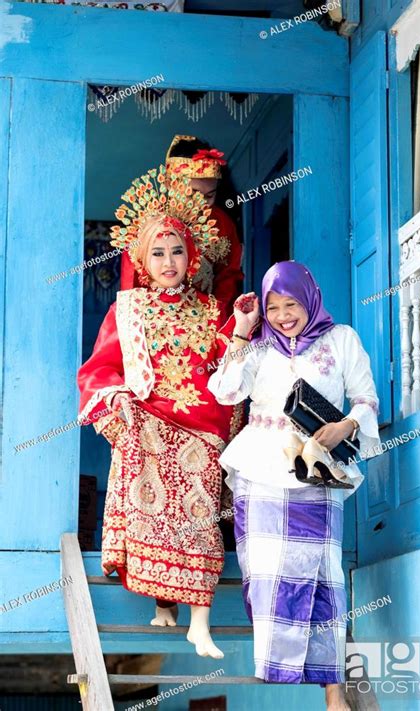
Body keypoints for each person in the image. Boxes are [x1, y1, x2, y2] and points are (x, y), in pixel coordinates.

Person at [77, 166, 238, 659]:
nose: (169, 261)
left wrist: (244, 330)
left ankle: (198, 621)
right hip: (148, 424)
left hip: (202, 432)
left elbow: (228, 366)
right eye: (159, 252)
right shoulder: (126, 310)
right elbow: (100, 369)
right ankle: (163, 601)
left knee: (199, 520)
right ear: (142, 259)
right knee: (152, 512)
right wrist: (118, 397)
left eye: (178, 251)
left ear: (193, 256)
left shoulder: (213, 310)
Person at [208, 261, 380, 708]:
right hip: (260, 467)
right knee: (265, 572)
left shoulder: (342, 339)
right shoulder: (257, 346)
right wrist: (243, 331)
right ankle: (276, 664)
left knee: (322, 574)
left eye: (292, 305)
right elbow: (225, 391)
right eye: (275, 307)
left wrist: (345, 427)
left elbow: (366, 399)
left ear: (310, 299)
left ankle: (333, 690)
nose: (285, 315)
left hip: (317, 468)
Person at [120, 135, 243, 317]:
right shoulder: (147, 227)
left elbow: (228, 279)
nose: (202, 204)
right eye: (193, 193)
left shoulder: (223, 224)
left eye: (209, 196)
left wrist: (216, 320)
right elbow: (132, 285)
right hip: (155, 321)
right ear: (171, 184)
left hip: (207, 323)